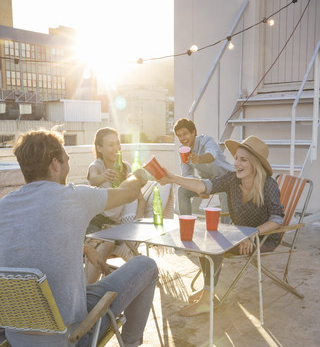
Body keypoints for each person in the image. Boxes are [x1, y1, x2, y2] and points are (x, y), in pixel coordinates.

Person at [0, 130, 167, 347]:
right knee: (146, 265)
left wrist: (86, 247)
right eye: (66, 157)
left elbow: (34, 241)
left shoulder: (5, 207)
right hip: (67, 342)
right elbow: (129, 193)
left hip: (16, 341)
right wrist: (139, 174)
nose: (69, 161)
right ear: (55, 163)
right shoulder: (75, 197)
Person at [158, 135, 284, 317]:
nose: (236, 164)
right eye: (236, 159)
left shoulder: (268, 184)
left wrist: (251, 234)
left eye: (243, 160)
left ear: (255, 163)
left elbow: (277, 219)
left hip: (263, 238)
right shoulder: (233, 179)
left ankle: (206, 301)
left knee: (215, 245)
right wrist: (173, 178)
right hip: (241, 235)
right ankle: (208, 293)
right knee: (205, 238)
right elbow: (204, 186)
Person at [86, 127, 146, 283]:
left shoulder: (125, 167)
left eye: (118, 143)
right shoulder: (97, 166)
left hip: (115, 227)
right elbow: (93, 179)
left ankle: (88, 293)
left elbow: (140, 198)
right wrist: (103, 176)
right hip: (95, 220)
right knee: (103, 244)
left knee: (108, 243)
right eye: (111, 145)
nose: (116, 148)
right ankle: (87, 292)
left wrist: (136, 226)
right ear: (99, 148)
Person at [174, 118, 233, 217]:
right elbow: (187, 174)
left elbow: (211, 155)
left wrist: (199, 159)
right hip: (208, 183)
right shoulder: (183, 150)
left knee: (225, 191)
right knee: (182, 190)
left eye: (185, 134)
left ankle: (226, 227)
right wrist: (197, 188)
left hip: (226, 179)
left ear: (193, 132)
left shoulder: (206, 140)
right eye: (179, 136)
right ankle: (185, 223)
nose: (182, 138)